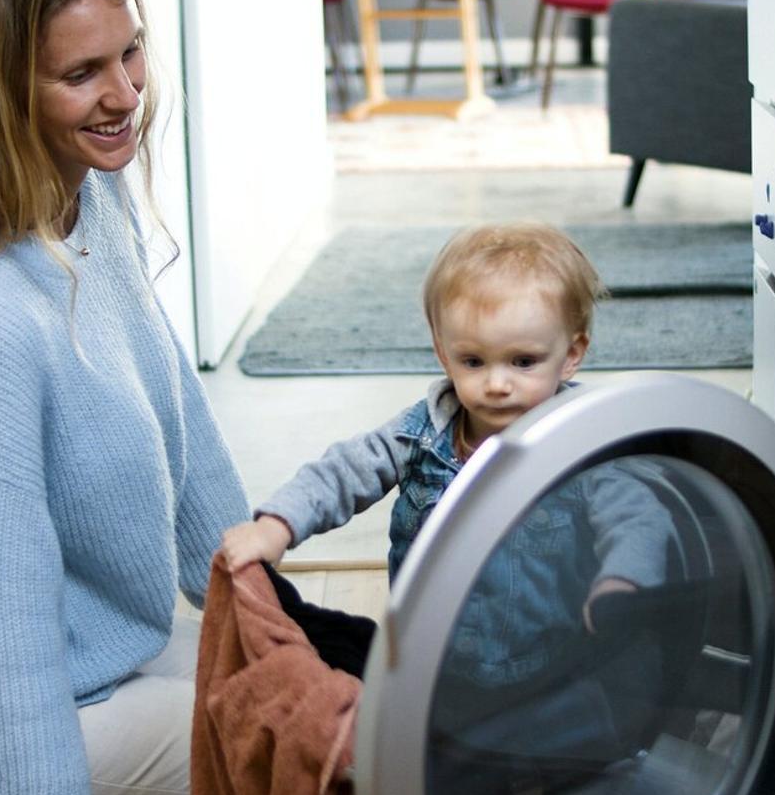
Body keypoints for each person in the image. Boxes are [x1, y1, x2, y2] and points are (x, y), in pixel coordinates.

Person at [0, 0, 250, 795]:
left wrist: (255, 598)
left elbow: (176, 410)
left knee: (369, 677)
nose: (125, 93)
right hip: (14, 717)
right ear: (0, 89)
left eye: (130, 55)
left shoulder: (92, 200)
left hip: (107, 657)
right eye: (81, 73)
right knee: (367, 745)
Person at [223, 222, 669, 628]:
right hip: (430, 659)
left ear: (571, 355)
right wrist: (276, 526)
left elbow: (637, 515)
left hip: (554, 664)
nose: (497, 384)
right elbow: (343, 472)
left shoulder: (585, 441)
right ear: (443, 353)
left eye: (523, 362)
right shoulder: (421, 434)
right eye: (472, 361)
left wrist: (621, 586)